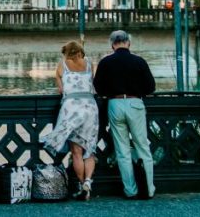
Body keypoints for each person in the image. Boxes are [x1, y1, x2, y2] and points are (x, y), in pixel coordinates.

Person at [93, 30, 156, 199]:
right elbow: (151, 87)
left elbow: (98, 87)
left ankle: (130, 190)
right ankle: (149, 189)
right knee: (143, 146)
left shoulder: (105, 62)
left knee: (122, 150)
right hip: (135, 103)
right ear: (128, 43)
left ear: (113, 44)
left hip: (115, 103)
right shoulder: (139, 61)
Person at [40, 40, 99, 200]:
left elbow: (61, 89)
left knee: (76, 151)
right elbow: (92, 84)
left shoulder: (62, 65)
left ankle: (81, 185)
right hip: (90, 107)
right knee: (90, 149)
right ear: (81, 51)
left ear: (66, 52)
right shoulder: (89, 64)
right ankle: (88, 181)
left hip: (71, 107)